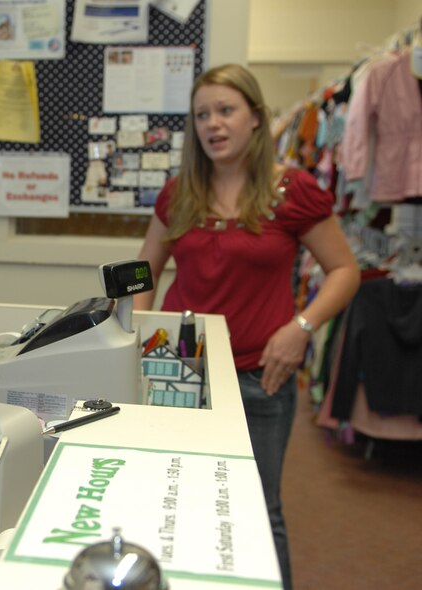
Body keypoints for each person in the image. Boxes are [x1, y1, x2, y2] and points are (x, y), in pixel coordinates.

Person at [134, 64, 360, 590]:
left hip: (262, 373)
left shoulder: (293, 191)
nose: (213, 124)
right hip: (178, 365)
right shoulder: (180, 194)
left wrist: (302, 325)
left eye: (226, 111)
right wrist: (133, 331)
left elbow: (345, 271)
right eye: (202, 115)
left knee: (258, 507)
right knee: (174, 494)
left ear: (255, 118)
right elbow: (146, 269)